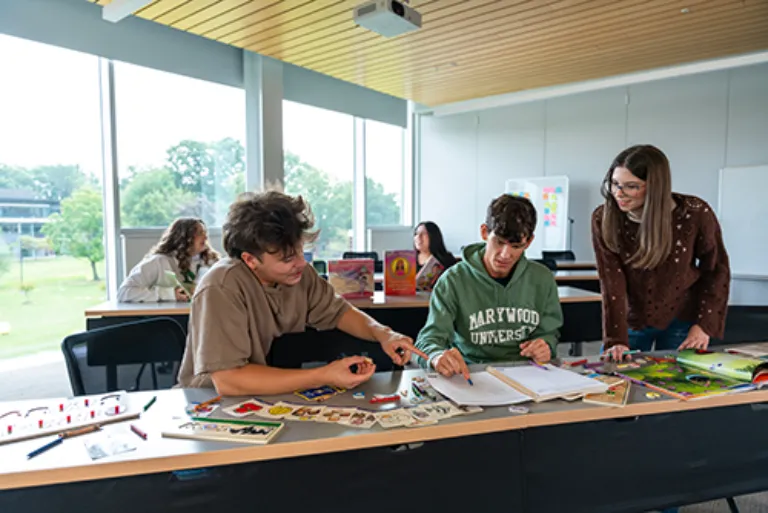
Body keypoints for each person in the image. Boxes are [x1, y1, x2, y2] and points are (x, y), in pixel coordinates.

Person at [177, 190, 427, 396]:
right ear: (250, 260)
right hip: (208, 399)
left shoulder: (299, 274)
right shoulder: (222, 286)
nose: (300, 262)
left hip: (260, 391)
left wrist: (384, 334)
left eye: (300, 250)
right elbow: (230, 381)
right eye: (287, 258)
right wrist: (323, 376)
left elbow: (339, 312)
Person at [592, 145, 731, 363]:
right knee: (618, 381)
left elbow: (716, 270)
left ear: (655, 187)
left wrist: (704, 325)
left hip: (682, 318)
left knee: (676, 385)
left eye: (632, 186)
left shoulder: (694, 213)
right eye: (615, 183)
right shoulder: (604, 218)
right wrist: (615, 339)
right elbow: (611, 282)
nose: (619, 193)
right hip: (631, 319)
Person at [414, 194, 563, 379]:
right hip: (472, 375)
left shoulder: (542, 279)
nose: (505, 254)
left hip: (528, 374)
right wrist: (436, 356)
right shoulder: (453, 280)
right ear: (484, 232)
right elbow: (428, 340)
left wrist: (546, 346)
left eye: (516, 246)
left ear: (529, 242)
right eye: (499, 242)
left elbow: (550, 333)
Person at [117, 218, 219, 302]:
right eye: (200, 233)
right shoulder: (158, 262)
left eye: (205, 233)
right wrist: (168, 294)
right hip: (169, 320)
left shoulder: (210, 263)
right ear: (184, 237)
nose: (205, 237)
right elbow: (124, 292)